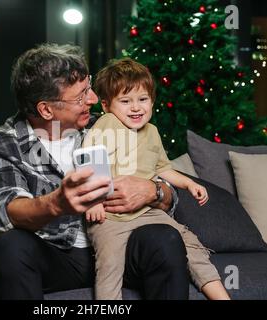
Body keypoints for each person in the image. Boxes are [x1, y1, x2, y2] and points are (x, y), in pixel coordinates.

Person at [0, 43, 189, 300]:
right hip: (55, 256)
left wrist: (154, 191)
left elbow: (167, 191)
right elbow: (5, 210)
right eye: (80, 96)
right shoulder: (4, 144)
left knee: (165, 238)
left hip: (116, 244)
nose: (93, 99)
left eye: (88, 87)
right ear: (46, 109)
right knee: (11, 246)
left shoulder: (107, 125)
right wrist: (56, 203)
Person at [83, 57, 230, 300]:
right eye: (126, 101)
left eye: (143, 99)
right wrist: (93, 201)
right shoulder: (107, 123)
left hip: (148, 211)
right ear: (107, 106)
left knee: (191, 245)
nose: (136, 107)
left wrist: (190, 183)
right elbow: (91, 161)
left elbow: (163, 168)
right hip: (110, 217)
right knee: (109, 266)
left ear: (152, 101)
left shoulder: (151, 131)